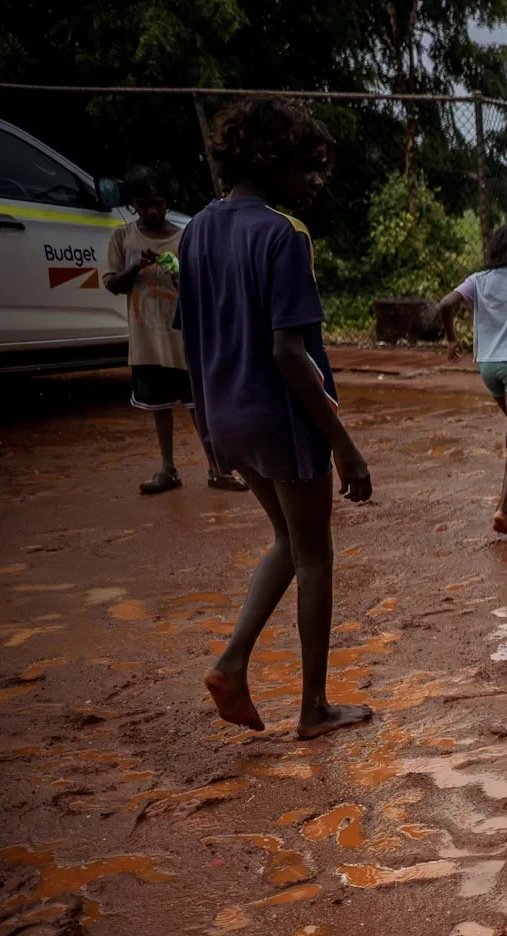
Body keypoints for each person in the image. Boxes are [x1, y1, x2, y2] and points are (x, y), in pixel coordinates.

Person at [178, 97, 374, 741]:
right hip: (281, 416)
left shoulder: (196, 230)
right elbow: (290, 352)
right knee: (315, 554)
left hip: (226, 415)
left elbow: (195, 335)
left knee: (289, 542)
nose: (315, 180)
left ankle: (233, 663)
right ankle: (313, 707)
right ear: (274, 160)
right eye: (309, 166)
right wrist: (342, 443)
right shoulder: (282, 235)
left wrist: (207, 422)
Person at [105, 165, 245, 496]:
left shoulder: (185, 237)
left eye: (158, 203)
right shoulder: (123, 237)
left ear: (167, 201)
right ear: (133, 205)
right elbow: (112, 284)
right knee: (159, 408)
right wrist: (136, 267)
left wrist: (179, 277)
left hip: (185, 339)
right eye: (144, 205)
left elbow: (203, 287)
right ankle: (168, 469)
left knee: (201, 408)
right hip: (148, 341)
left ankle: (218, 468)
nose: (152, 211)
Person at [438, 224, 507, 534]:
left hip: (488, 366)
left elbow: (445, 304)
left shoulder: (479, 281)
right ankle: (502, 508)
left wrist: (452, 339)